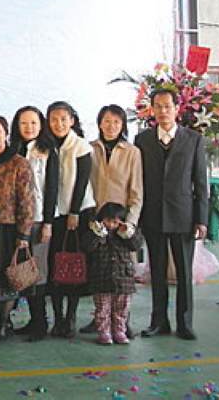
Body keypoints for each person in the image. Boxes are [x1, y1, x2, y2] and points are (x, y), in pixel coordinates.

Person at [135, 89, 208, 341]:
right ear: (152, 109)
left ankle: (185, 323)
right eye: (158, 106)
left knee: (184, 273)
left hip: (183, 215)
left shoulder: (194, 139)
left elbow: (200, 183)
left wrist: (201, 219)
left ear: (177, 109)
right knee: (157, 271)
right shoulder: (142, 140)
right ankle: (159, 322)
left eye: (167, 106)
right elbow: (138, 181)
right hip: (153, 214)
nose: (163, 111)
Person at [80, 104, 143, 336]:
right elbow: (85, 184)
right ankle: (99, 320)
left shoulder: (132, 152)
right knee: (99, 272)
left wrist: (130, 223)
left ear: (123, 125)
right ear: (99, 123)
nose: (111, 126)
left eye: (116, 121)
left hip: (121, 222)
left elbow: (137, 191)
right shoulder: (90, 149)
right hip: (97, 222)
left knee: (124, 273)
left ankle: (123, 322)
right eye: (106, 121)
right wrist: (91, 219)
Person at [0, 113, 35, 345]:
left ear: (6, 133)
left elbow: (27, 201)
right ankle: (5, 322)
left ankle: (2, 325)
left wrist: (24, 234)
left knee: (7, 278)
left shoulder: (18, 162)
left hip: (10, 229)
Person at [46, 101, 96, 338]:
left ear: (72, 121)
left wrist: (74, 212)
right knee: (55, 266)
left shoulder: (81, 146)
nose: (58, 124)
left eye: (63, 119)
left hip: (78, 213)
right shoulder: (45, 145)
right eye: (54, 120)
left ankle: (71, 317)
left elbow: (82, 182)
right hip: (54, 214)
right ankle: (57, 318)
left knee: (74, 266)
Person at [9, 106, 58, 342]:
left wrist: (48, 222)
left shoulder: (48, 151)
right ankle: (31, 320)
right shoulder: (13, 150)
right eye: (24, 123)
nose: (29, 128)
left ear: (41, 125)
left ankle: (41, 322)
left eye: (33, 123)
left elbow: (52, 189)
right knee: (22, 271)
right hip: (14, 220)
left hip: (38, 219)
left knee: (37, 272)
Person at [82, 203, 144, 345]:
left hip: (124, 279)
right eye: (108, 221)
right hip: (101, 278)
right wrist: (97, 233)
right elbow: (87, 247)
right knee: (102, 309)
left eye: (115, 222)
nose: (111, 225)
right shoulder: (95, 232)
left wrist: (128, 233)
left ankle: (119, 331)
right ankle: (104, 332)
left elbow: (136, 245)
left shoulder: (126, 234)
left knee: (121, 308)